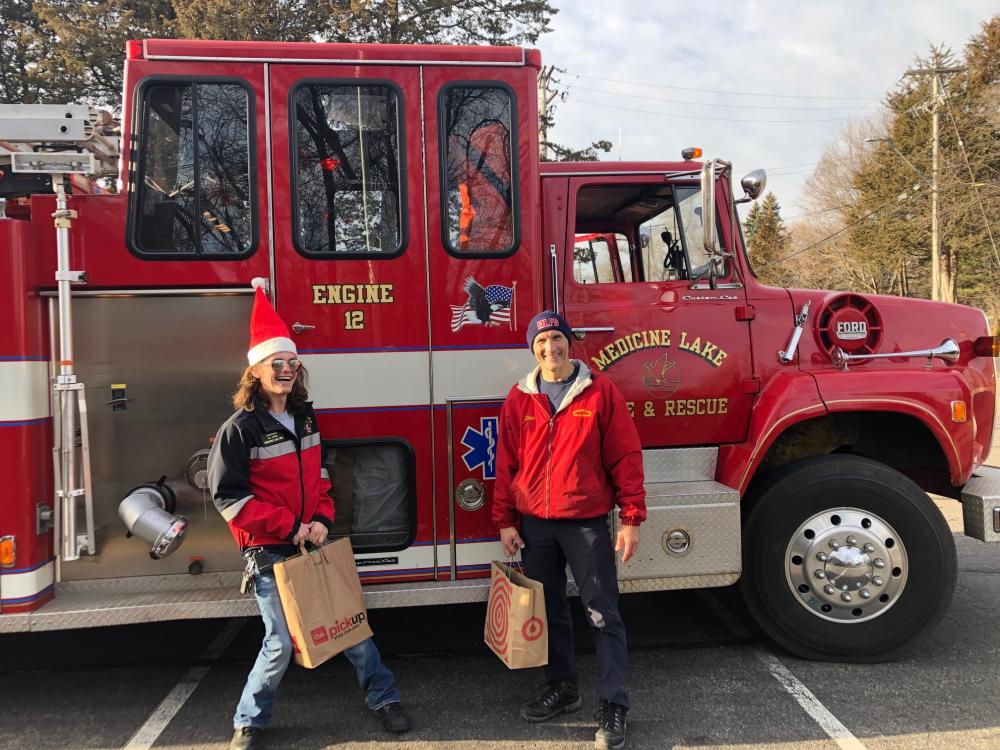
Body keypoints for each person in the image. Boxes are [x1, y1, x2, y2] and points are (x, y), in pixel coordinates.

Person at [208, 279, 411, 750]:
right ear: (256, 371)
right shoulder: (239, 429)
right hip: (270, 550)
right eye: (276, 364)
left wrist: (321, 517)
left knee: (349, 628)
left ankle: (385, 700)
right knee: (279, 643)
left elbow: (321, 474)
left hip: (310, 540)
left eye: (292, 364)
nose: (285, 371)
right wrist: (290, 527)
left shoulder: (305, 418)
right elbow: (229, 501)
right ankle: (249, 721)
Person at [493, 310, 647, 750]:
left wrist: (632, 517)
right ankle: (563, 687)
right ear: (532, 350)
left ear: (569, 344)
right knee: (549, 611)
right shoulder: (519, 398)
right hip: (536, 524)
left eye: (557, 340)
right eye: (541, 343)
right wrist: (504, 519)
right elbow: (505, 465)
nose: (550, 349)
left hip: (585, 522)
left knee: (602, 612)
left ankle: (613, 703)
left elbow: (625, 456)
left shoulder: (600, 392)